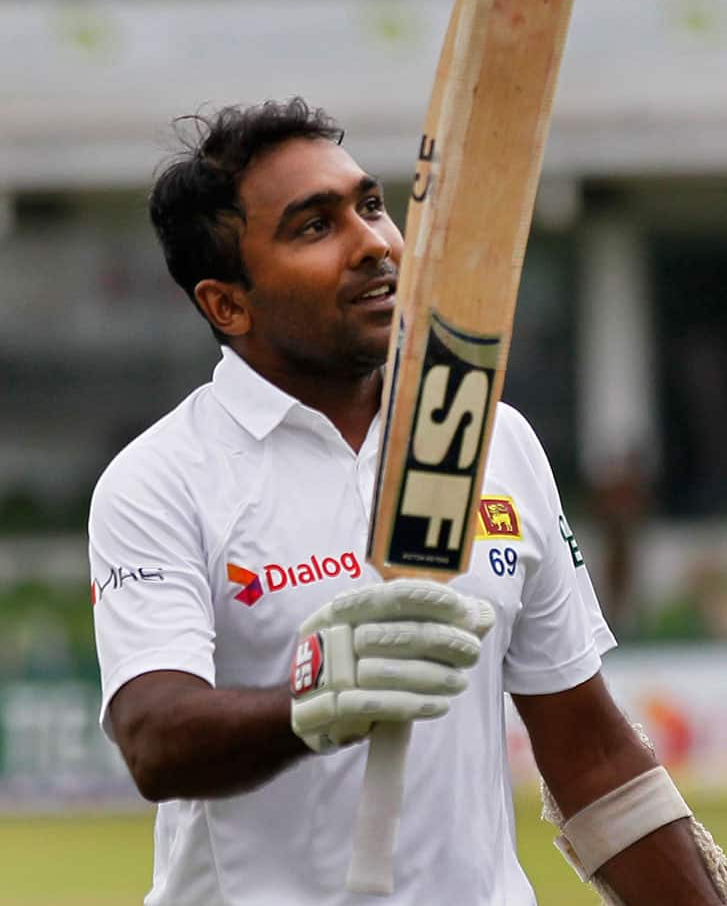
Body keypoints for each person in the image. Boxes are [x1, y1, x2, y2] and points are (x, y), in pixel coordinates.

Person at [90, 98, 724, 905]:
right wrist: (313, 705)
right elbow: (154, 739)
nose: (374, 244)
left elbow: (591, 756)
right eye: (313, 227)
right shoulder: (163, 477)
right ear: (226, 304)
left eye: (370, 205)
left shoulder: (491, 440)